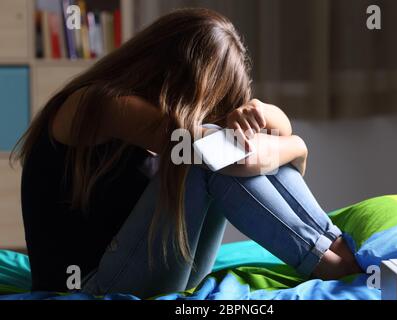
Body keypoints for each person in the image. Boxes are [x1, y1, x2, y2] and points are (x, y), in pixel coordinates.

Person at [12, 8, 361, 298]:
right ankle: (326, 261)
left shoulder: (165, 117)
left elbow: (263, 140)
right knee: (207, 158)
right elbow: (229, 157)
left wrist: (259, 113)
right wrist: (296, 147)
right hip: (91, 285)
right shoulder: (101, 104)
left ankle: (333, 244)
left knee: (220, 148)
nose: (209, 111)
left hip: (152, 266)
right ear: (178, 75)